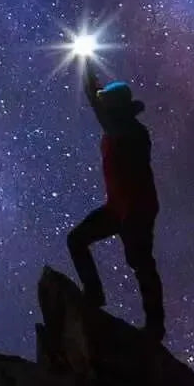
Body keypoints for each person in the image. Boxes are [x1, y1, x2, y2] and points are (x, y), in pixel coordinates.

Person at [67, 61, 166, 342]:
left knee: (140, 261)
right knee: (77, 240)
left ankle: (155, 326)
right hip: (118, 207)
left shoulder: (131, 131)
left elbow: (100, 107)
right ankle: (95, 294)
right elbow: (97, 100)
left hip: (137, 208)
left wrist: (87, 72)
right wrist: (86, 67)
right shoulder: (117, 125)